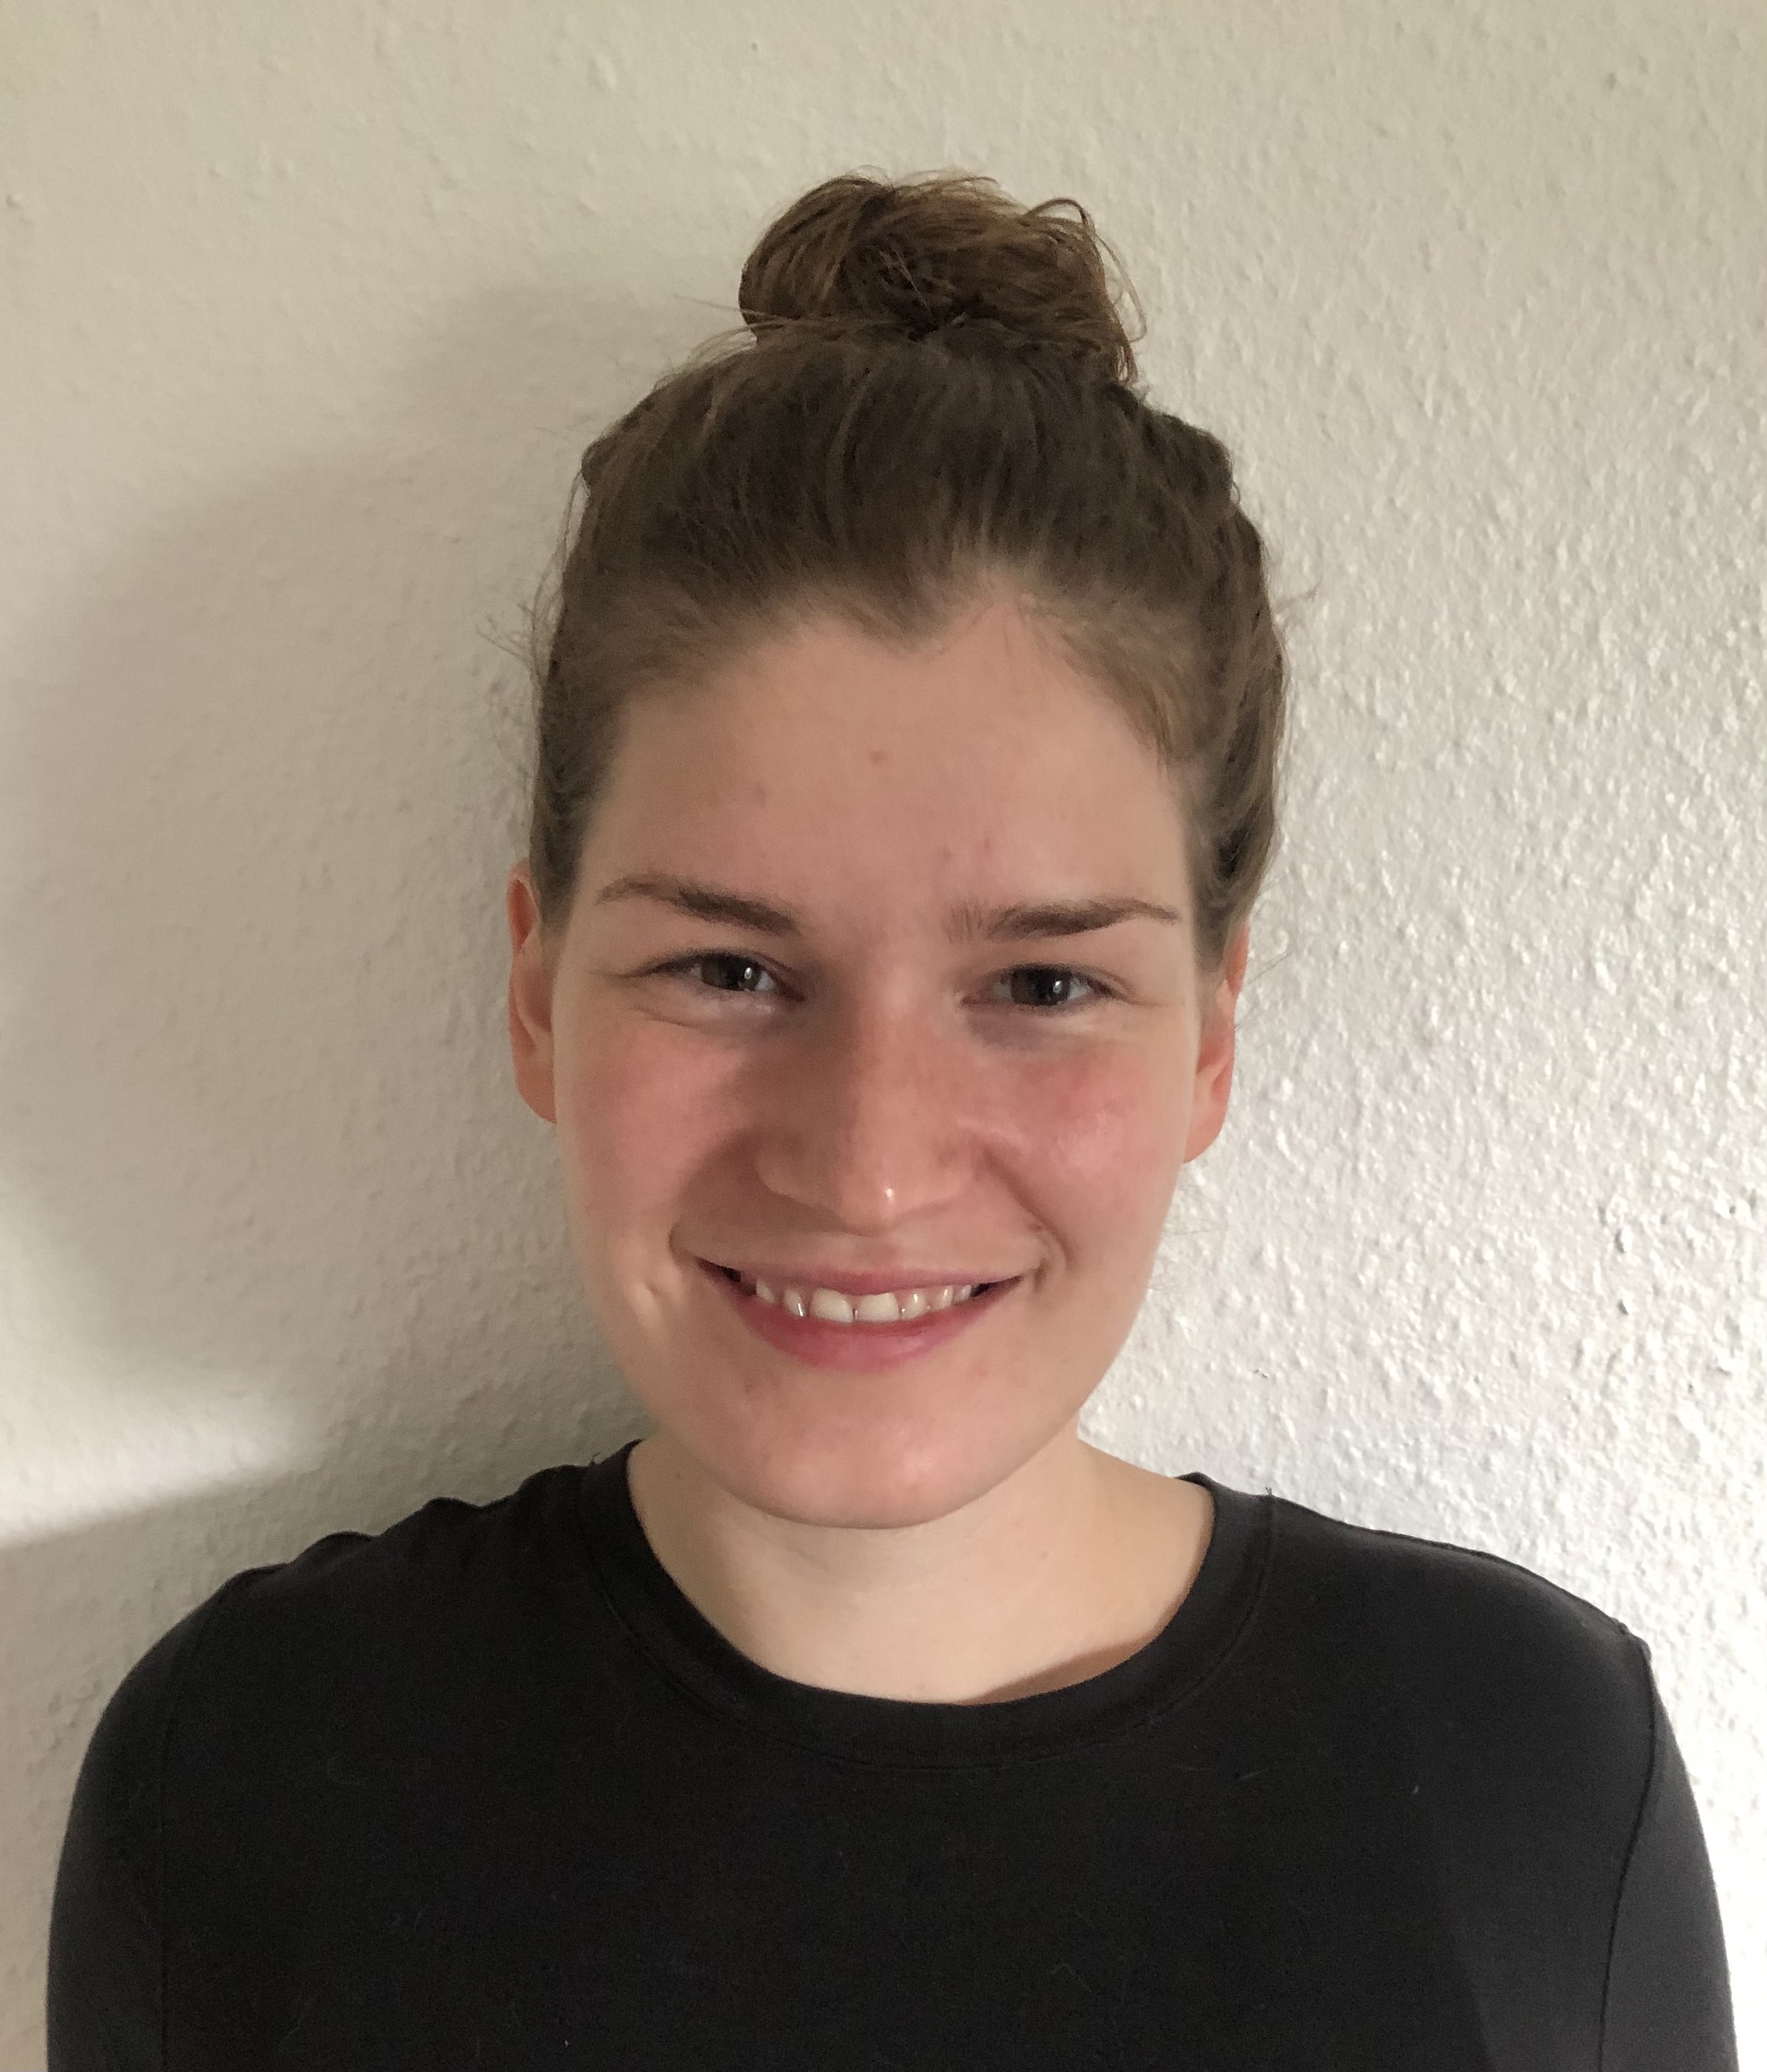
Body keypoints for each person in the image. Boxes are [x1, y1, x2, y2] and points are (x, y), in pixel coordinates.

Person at [46, 172, 1735, 2071]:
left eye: (1042, 986)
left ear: (1210, 1036)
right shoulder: (249, 1775)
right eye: (729, 969)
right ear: (535, 990)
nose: (867, 1165)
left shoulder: (1532, 1769)